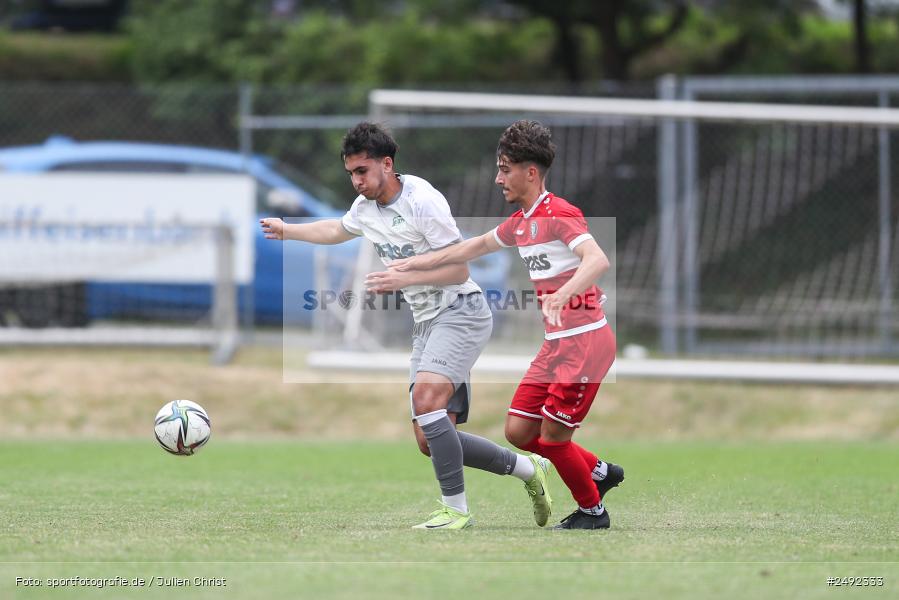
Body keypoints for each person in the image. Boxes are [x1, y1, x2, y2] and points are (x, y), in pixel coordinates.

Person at [260, 122, 552, 530]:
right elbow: (336, 229)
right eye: (351, 174)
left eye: (362, 171)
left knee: (427, 400)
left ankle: (456, 511)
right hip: (427, 324)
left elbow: (458, 269)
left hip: (461, 311)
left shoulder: (422, 200)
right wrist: (288, 230)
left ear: (387, 163)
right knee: (429, 440)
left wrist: (404, 279)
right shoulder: (365, 209)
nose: (357, 181)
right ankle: (528, 469)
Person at [390, 120, 624, 530]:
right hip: (557, 344)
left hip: (585, 341)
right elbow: (473, 246)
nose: (498, 178)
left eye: (505, 169)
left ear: (530, 172)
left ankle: (593, 510)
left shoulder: (558, 214)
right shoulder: (521, 222)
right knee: (518, 431)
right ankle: (600, 472)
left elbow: (597, 260)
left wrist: (564, 293)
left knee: (553, 439)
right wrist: (416, 263)